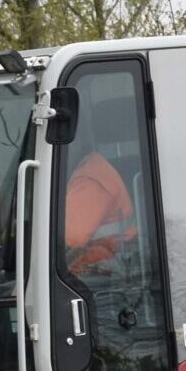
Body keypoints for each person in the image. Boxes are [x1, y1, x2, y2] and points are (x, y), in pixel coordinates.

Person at [63, 95, 139, 274]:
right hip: (104, 259)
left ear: (76, 139)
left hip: (107, 265)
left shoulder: (90, 179)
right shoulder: (90, 168)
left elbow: (66, 241)